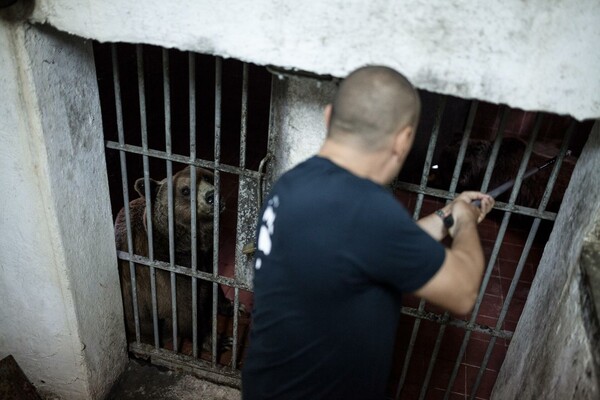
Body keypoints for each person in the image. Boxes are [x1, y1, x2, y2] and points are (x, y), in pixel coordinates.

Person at [241, 66, 494, 400]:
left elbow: (375, 246)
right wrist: (464, 220)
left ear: (329, 116)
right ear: (403, 139)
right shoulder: (366, 208)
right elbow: (463, 292)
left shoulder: (293, 184)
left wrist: (447, 214)